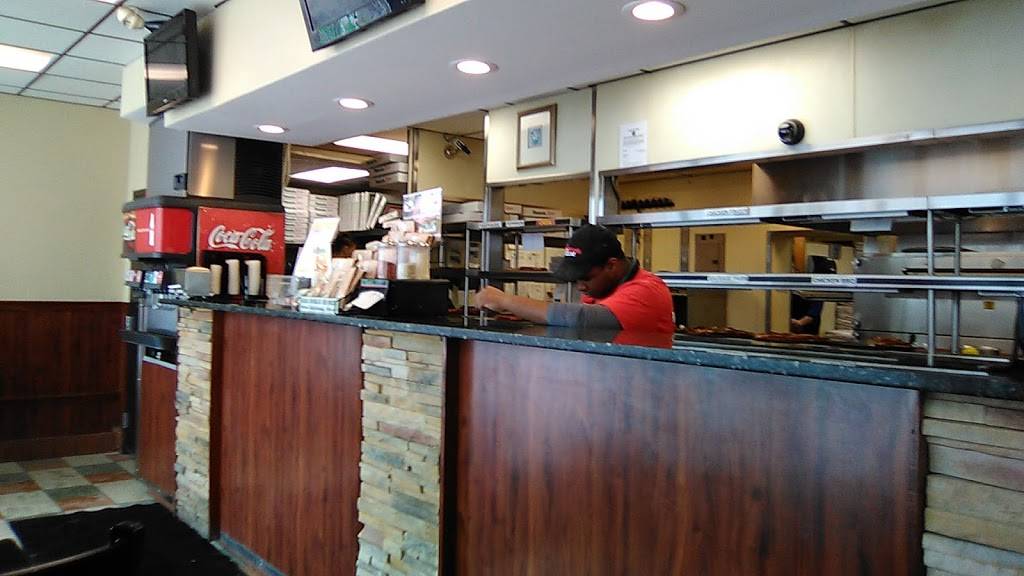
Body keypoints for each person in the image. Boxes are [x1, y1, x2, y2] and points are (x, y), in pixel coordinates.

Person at [475, 225, 675, 333]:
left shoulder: (646, 290)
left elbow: (581, 318)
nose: (580, 287)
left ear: (611, 265)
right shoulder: (601, 288)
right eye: (575, 280)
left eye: (585, 278)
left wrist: (504, 300)